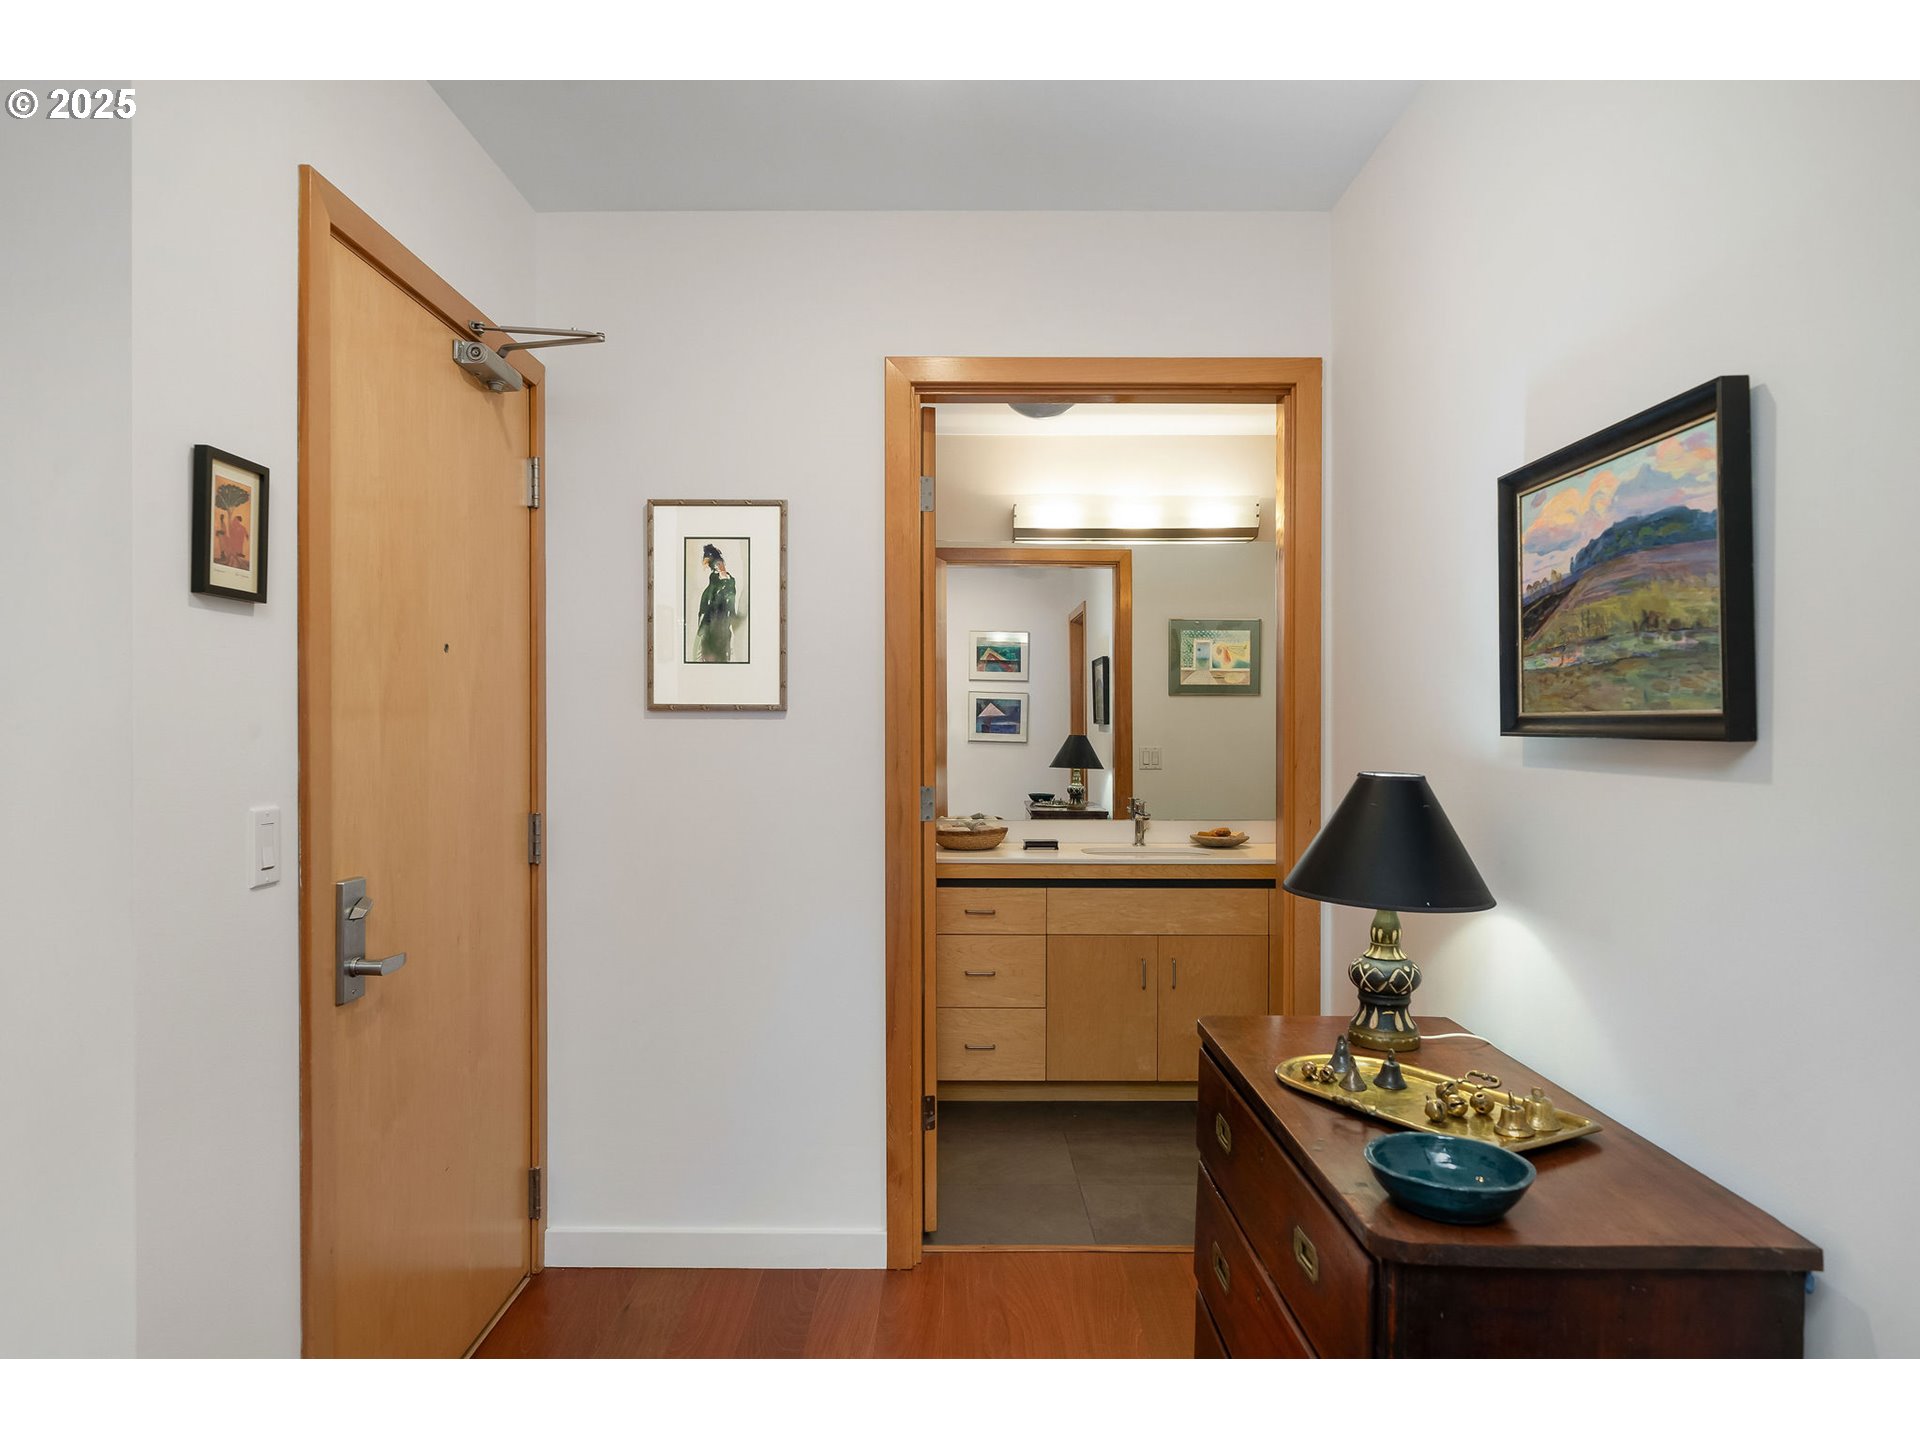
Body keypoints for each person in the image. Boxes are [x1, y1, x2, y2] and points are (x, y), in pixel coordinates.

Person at [695, 542, 737, 662]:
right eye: (714, 566)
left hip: (722, 632)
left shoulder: (730, 583)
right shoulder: (713, 584)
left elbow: (730, 608)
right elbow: (706, 610)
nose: (718, 567)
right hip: (711, 632)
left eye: (719, 564)